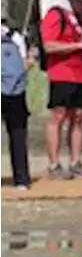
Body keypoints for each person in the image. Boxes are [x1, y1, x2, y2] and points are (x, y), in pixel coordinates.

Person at [41, 0, 82, 180]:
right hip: (61, 73)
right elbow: (49, 45)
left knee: (78, 117)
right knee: (58, 116)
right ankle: (54, 164)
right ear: (75, 0)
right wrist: (79, 45)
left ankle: (76, 162)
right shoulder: (56, 14)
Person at [0, 17, 34, 190]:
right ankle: (21, 179)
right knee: (18, 134)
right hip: (15, 92)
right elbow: (25, 63)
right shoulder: (16, 36)